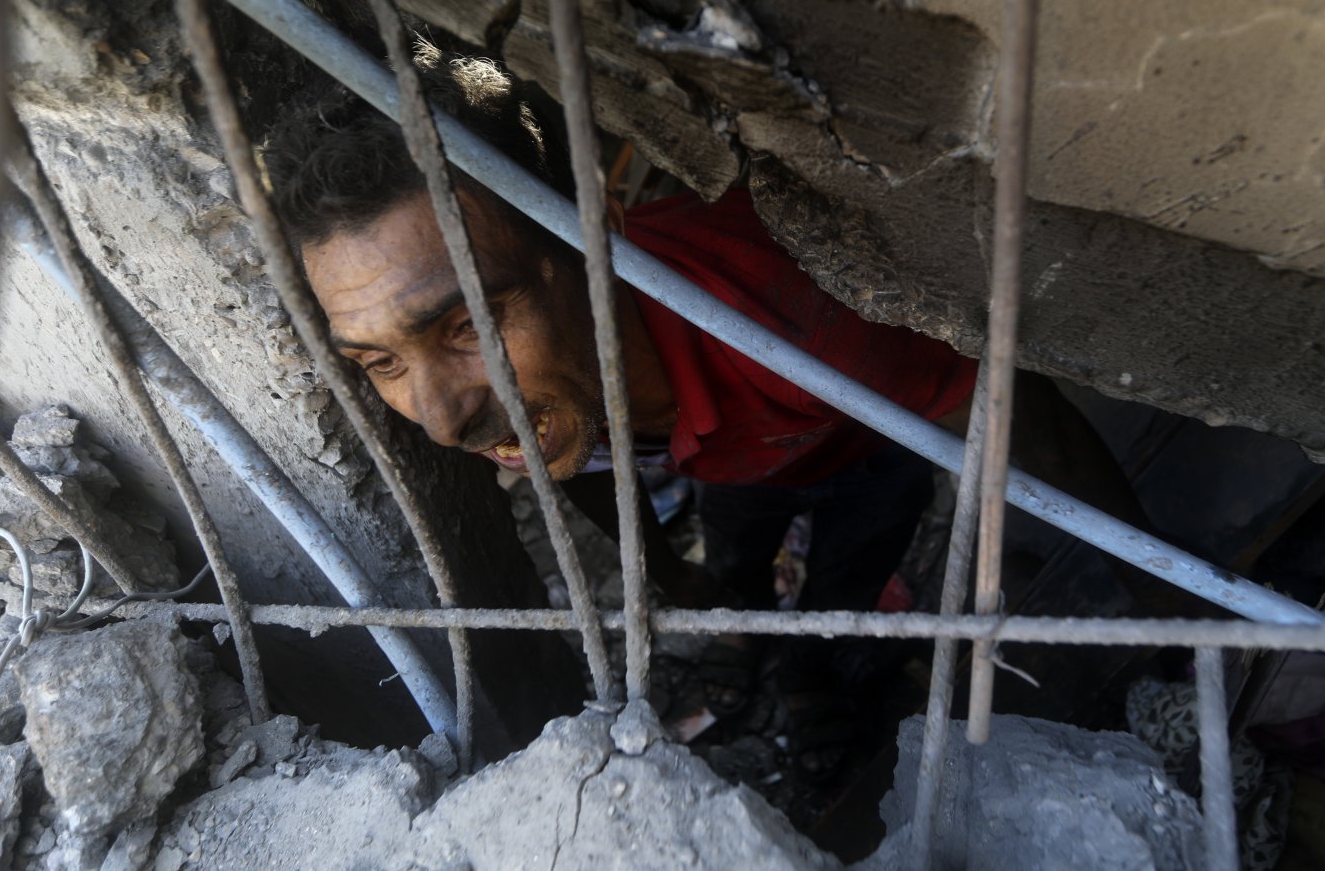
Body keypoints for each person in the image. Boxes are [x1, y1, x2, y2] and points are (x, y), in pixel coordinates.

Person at [266, 46, 1149, 779]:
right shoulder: (544, 395)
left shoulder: (803, 327)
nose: (438, 417)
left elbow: (1029, 432)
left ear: (590, 236)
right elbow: (578, 477)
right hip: (727, 466)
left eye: (468, 324)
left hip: (854, 450)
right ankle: (762, 639)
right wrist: (664, 575)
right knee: (735, 560)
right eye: (380, 360)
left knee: (850, 568)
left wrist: (1171, 606)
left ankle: (812, 672)